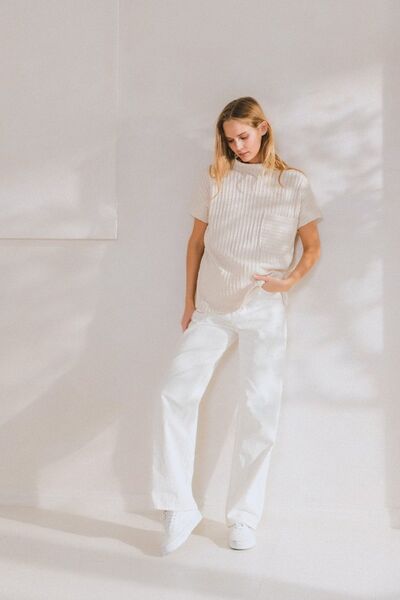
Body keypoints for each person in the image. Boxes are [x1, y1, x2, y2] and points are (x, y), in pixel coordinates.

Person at [150, 96, 323, 555]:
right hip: (211, 307)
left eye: (243, 136)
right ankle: (177, 505)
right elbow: (195, 243)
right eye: (230, 140)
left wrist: (288, 282)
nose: (237, 146)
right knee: (174, 393)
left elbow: (312, 247)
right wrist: (189, 301)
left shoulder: (293, 183)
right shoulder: (215, 178)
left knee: (260, 409)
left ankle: (243, 516)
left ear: (263, 128)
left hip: (262, 308)